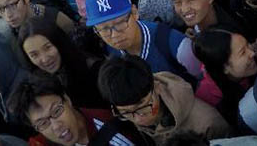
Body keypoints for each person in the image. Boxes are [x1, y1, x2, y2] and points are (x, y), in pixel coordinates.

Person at [97, 53, 229, 143]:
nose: (138, 120)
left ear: (157, 87)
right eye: (125, 112)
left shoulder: (208, 125)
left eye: (142, 107)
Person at [85, 0, 202, 82]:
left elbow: (204, 84)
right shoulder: (109, 50)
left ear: (134, 12)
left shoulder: (176, 45)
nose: (114, 35)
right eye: (104, 28)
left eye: (120, 23)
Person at [8, 74, 147, 146]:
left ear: (67, 99)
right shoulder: (41, 142)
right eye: (43, 123)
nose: (56, 127)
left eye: (56, 112)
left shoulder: (111, 129)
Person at [17, 17, 106, 109]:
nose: (44, 59)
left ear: (58, 42)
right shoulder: (37, 86)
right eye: (34, 55)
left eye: (47, 48)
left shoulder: (94, 69)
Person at [192, 27, 257, 125]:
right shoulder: (210, 101)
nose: (252, 53)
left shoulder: (252, 64)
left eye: (248, 45)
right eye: (243, 52)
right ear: (224, 68)